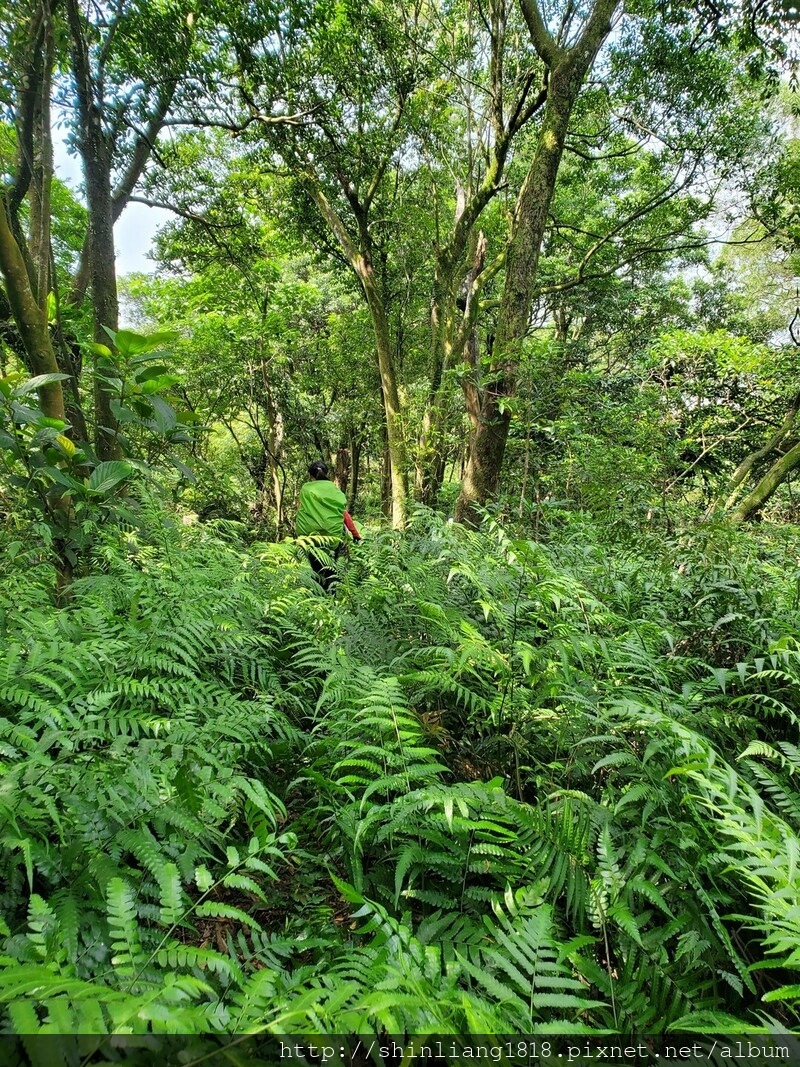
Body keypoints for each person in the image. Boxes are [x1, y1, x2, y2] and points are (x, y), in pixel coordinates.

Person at [296, 460, 361, 590]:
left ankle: (314, 592)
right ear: (327, 473)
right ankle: (331, 593)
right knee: (331, 567)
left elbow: (301, 509)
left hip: (309, 538)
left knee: (313, 567)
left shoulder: (306, 489)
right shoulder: (336, 492)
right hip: (332, 539)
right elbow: (345, 516)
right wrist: (355, 534)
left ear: (311, 475)